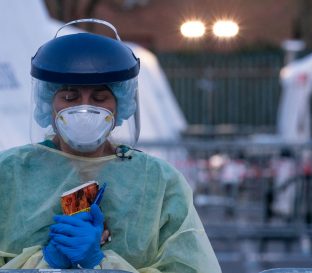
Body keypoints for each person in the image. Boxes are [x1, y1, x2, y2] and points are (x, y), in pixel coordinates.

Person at [0, 19, 221, 272]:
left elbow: (191, 266)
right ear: (47, 102)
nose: (83, 109)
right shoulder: (8, 174)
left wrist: (99, 263)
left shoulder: (158, 183)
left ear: (121, 105)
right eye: (70, 97)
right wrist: (46, 263)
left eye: (100, 97)